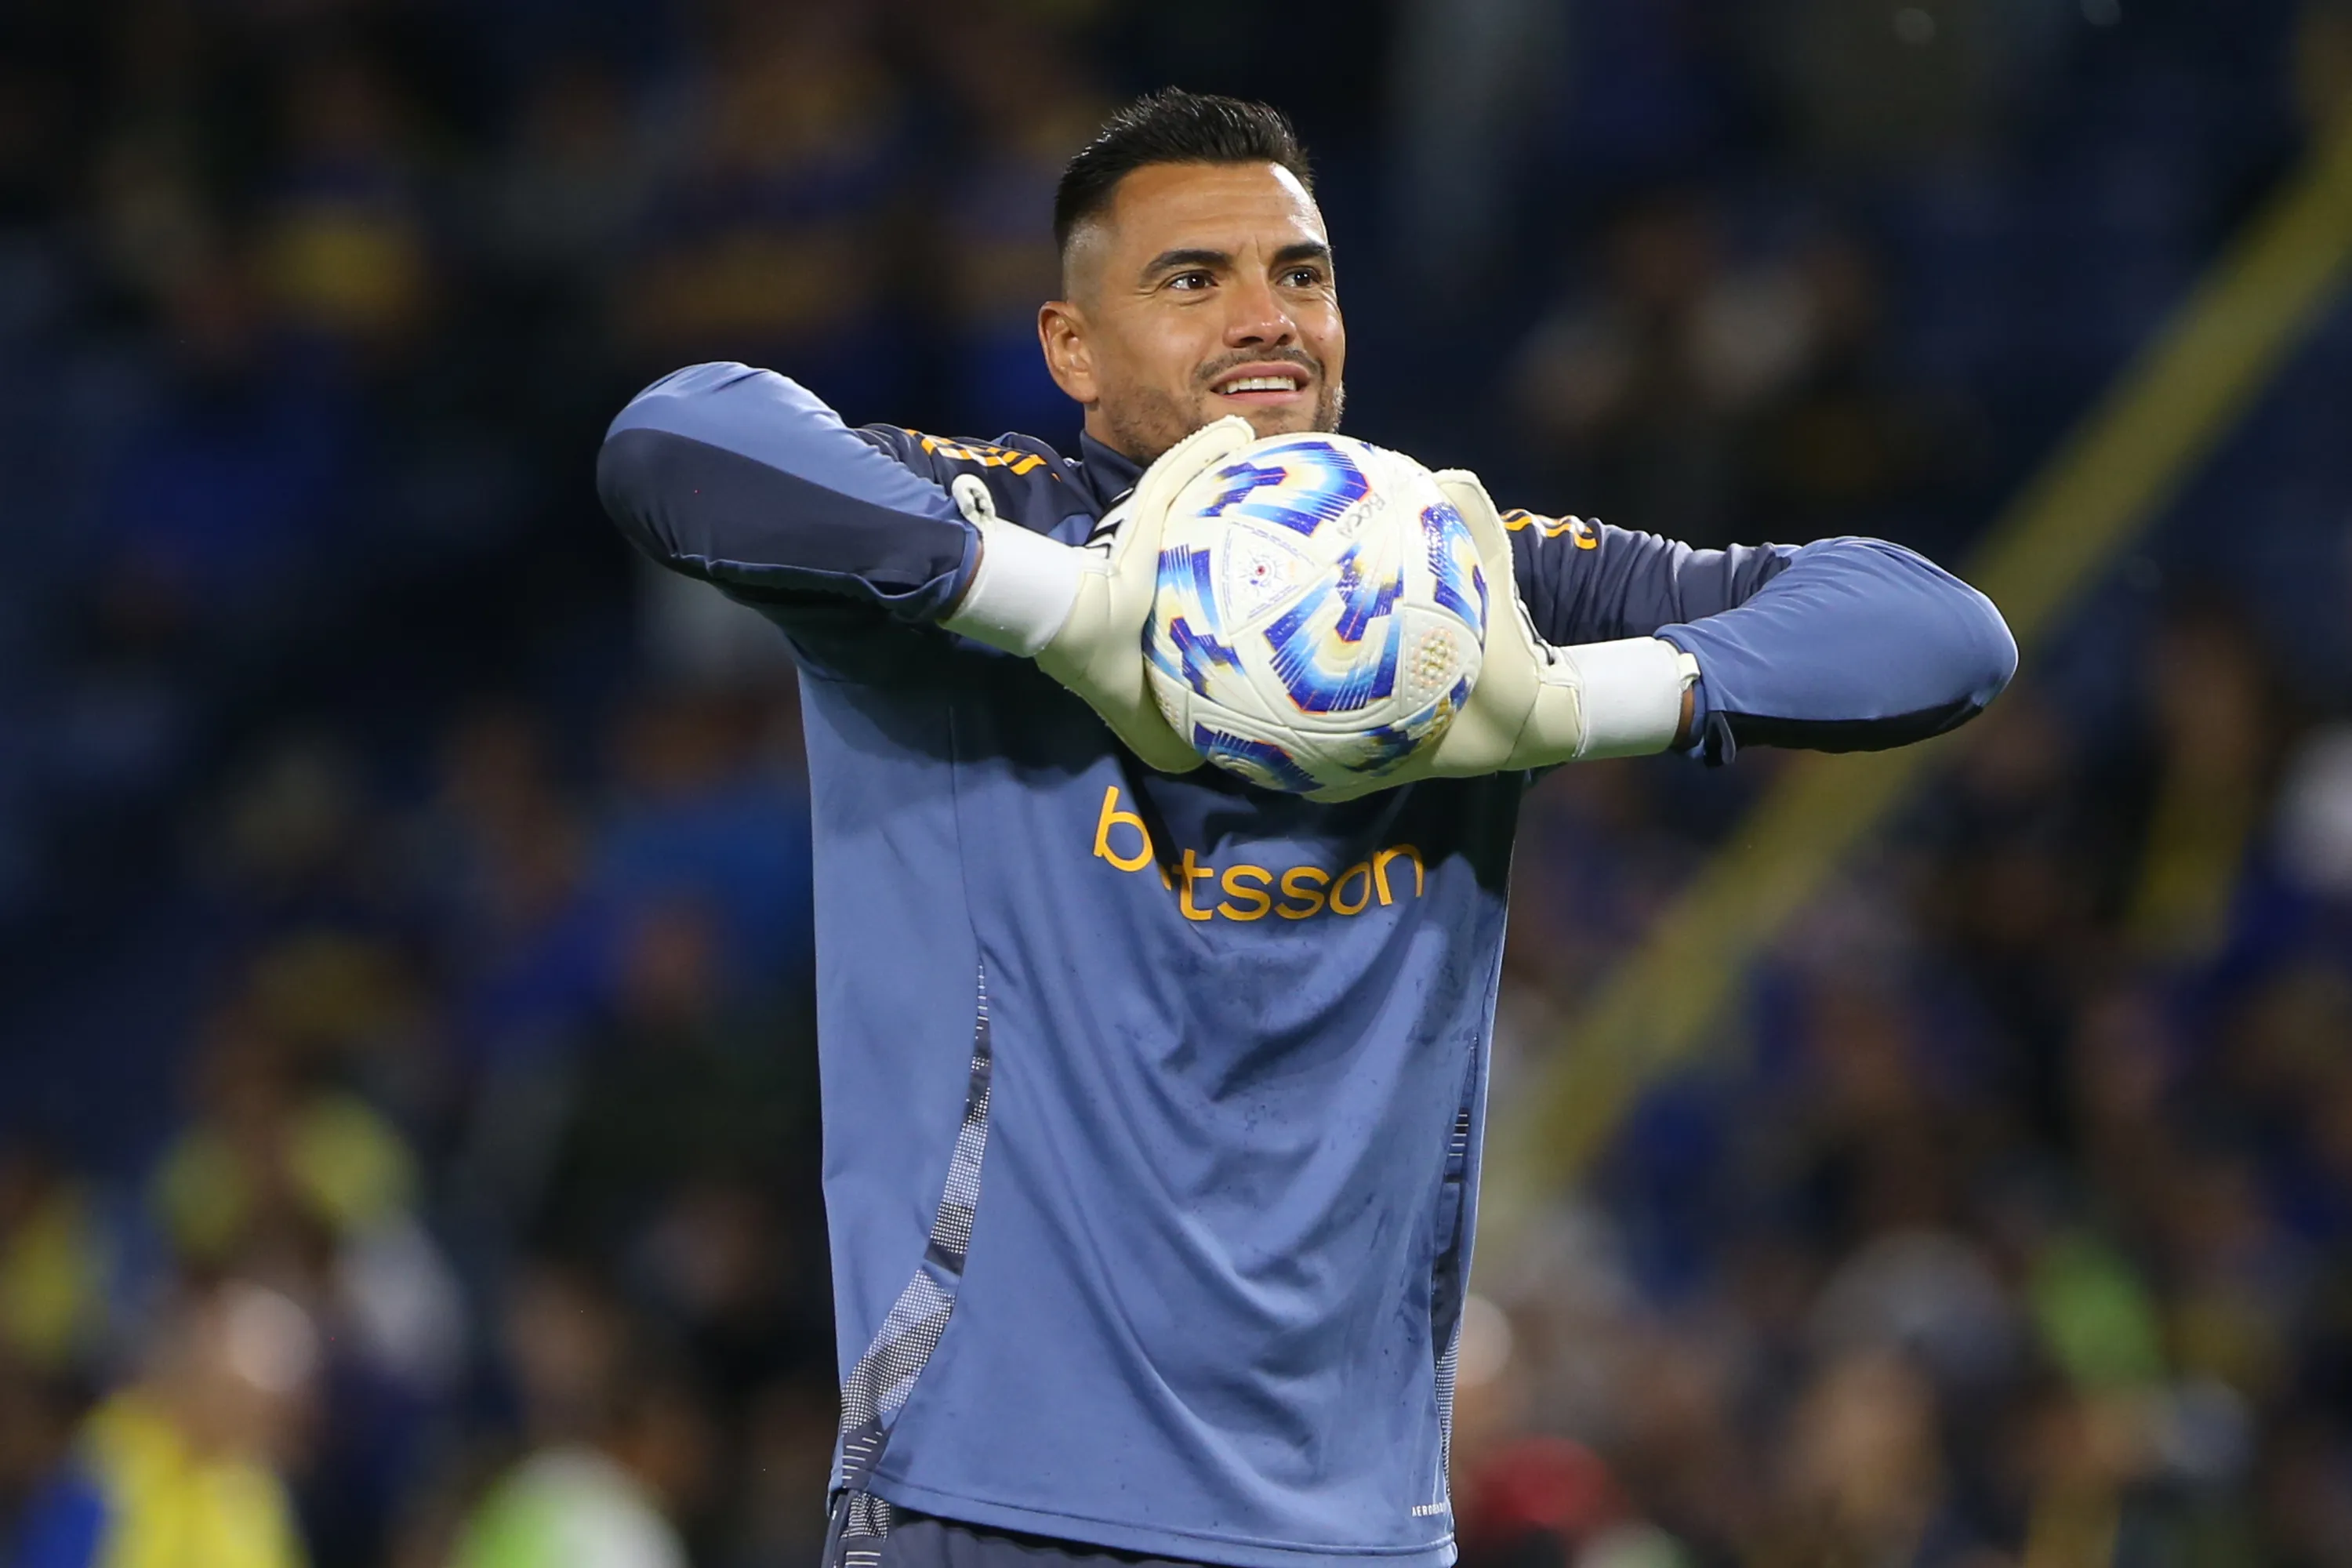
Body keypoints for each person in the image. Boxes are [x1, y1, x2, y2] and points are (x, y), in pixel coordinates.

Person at [596, 89, 2015, 1568]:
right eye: (1191, 279)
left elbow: (1940, 630)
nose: (1266, 317)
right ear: (1070, 350)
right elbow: (674, 439)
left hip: (1361, 1535)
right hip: (999, 1506)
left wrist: (1562, 706)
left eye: (1302, 273)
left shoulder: (1457, 597)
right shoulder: (998, 532)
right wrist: (1058, 606)